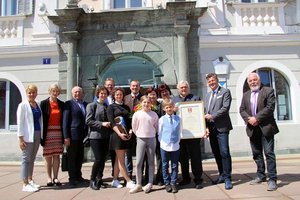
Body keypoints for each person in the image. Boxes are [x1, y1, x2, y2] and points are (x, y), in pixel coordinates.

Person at [239, 72, 279, 191]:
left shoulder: (268, 91)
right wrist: (249, 119)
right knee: (256, 154)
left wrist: (256, 118)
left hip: (266, 128)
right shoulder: (245, 94)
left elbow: (270, 108)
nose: (253, 82)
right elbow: (241, 110)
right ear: (248, 83)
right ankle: (261, 175)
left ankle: (272, 179)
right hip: (252, 128)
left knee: (269, 153)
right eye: (250, 81)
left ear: (259, 80)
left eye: (255, 80)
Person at [172, 80, 204, 189]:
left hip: (194, 134)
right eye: (181, 88)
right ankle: (186, 178)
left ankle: (198, 179)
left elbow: (201, 114)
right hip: (180, 135)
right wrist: (173, 111)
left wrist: (203, 129)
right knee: (182, 158)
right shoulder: (174, 100)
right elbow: (169, 115)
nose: (183, 89)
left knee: (196, 157)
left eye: (185, 87)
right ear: (178, 89)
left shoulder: (196, 99)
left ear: (188, 88)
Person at [204, 73, 233, 190]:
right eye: (209, 81)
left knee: (224, 152)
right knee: (216, 152)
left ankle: (228, 178)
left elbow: (225, 108)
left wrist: (212, 116)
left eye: (213, 80)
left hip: (222, 127)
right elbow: (205, 112)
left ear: (217, 80)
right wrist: (205, 126)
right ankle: (221, 174)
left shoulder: (225, 92)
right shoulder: (207, 95)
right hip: (211, 129)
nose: (211, 83)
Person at [107, 87, 135, 189]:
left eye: (120, 94)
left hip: (126, 134)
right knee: (121, 160)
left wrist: (130, 130)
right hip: (117, 135)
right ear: (114, 96)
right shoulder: (111, 107)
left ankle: (115, 180)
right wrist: (119, 134)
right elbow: (112, 123)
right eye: (117, 94)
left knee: (118, 160)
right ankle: (128, 181)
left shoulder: (127, 107)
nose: (119, 96)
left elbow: (129, 121)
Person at [130, 95, 159, 194]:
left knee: (151, 161)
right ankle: (138, 184)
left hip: (151, 139)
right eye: (144, 102)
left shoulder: (154, 114)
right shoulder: (137, 114)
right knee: (138, 162)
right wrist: (139, 134)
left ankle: (150, 182)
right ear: (141, 103)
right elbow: (134, 127)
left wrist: (152, 134)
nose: (146, 104)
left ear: (151, 104)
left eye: (148, 102)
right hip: (141, 139)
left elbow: (157, 127)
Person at [17, 84, 43, 192]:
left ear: (36, 93)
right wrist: (21, 139)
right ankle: (24, 183)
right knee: (25, 159)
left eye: (33, 92)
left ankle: (30, 179)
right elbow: (20, 123)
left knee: (32, 159)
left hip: (37, 134)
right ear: (27, 93)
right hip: (27, 136)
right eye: (30, 93)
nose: (32, 94)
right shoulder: (23, 105)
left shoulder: (37, 105)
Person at [86, 86, 111, 190]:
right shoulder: (91, 105)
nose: (103, 95)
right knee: (98, 159)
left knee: (103, 160)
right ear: (97, 94)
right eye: (101, 93)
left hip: (105, 136)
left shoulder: (106, 106)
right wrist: (102, 124)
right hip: (95, 137)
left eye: (105, 93)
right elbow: (88, 121)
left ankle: (99, 179)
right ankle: (92, 180)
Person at [63, 86, 88, 187]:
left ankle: (78, 176)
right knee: (72, 158)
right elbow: (65, 121)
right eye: (75, 92)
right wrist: (66, 137)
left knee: (80, 157)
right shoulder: (68, 104)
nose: (77, 94)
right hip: (72, 136)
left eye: (79, 92)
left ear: (82, 93)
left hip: (82, 135)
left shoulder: (86, 104)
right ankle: (72, 178)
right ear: (72, 94)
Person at [40, 84, 64, 187]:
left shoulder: (61, 104)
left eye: (57, 91)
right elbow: (41, 119)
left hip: (58, 131)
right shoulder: (43, 103)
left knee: (57, 155)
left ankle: (56, 177)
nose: (55, 93)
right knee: (48, 155)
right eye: (53, 91)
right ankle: (49, 178)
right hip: (47, 132)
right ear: (50, 91)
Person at [158, 99, 181, 193]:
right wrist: (162, 143)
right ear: (164, 109)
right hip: (164, 145)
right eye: (167, 107)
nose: (169, 109)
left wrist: (177, 141)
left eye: (170, 107)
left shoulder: (178, 118)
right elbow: (159, 132)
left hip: (175, 145)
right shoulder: (162, 119)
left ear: (173, 107)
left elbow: (180, 131)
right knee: (165, 165)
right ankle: (167, 183)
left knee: (175, 165)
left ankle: (173, 182)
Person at [124, 80, 142, 180]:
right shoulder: (125, 98)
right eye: (133, 86)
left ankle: (140, 176)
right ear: (130, 87)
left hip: (140, 130)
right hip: (128, 130)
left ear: (139, 87)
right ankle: (129, 176)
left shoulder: (143, 98)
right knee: (128, 154)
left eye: (136, 86)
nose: (135, 87)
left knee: (140, 153)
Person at [146, 87, 164, 185]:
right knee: (148, 157)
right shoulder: (145, 106)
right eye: (150, 94)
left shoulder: (160, 106)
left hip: (158, 135)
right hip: (148, 136)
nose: (152, 96)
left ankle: (160, 177)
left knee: (159, 157)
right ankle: (148, 178)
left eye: (154, 94)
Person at [104, 78, 116, 177]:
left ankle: (114, 172)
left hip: (115, 130)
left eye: (111, 85)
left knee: (114, 153)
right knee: (103, 154)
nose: (109, 86)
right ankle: (100, 176)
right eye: (108, 85)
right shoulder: (101, 97)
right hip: (104, 129)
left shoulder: (116, 97)